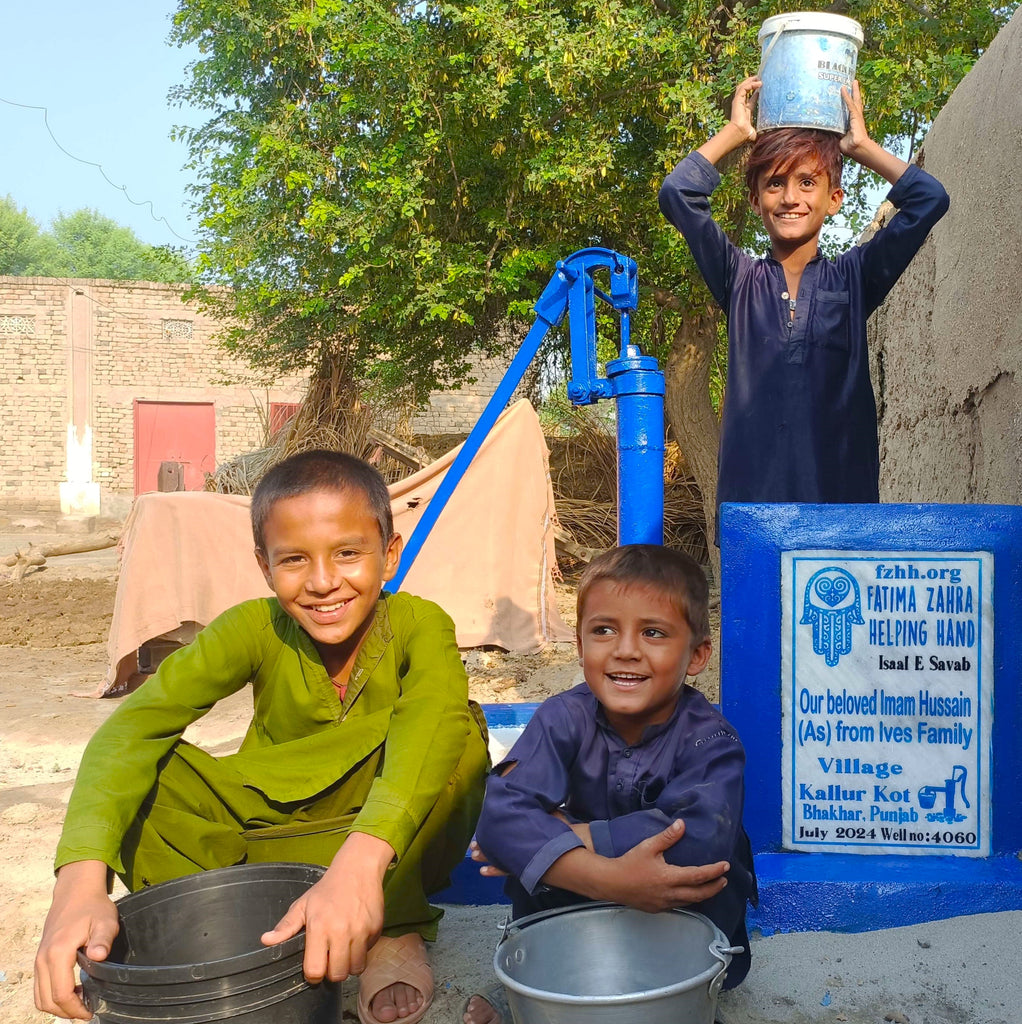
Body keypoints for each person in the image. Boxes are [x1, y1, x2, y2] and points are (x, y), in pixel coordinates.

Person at [34, 449, 489, 1024]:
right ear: (263, 565)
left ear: (389, 554)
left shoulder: (421, 624)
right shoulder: (252, 626)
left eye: (348, 553)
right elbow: (132, 729)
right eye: (294, 559)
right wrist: (78, 880)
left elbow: (433, 717)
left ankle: (392, 932)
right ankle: (238, 933)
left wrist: (360, 867)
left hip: (384, 858)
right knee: (145, 771)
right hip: (265, 844)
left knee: (457, 731)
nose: (324, 583)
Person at [463, 544, 756, 1024]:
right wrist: (609, 879)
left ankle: (684, 1002)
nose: (625, 649)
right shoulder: (562, 717)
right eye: (603, 630)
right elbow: (497, 818)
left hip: (677, 915)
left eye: (654, 632)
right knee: (533, 860)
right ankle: (530, 991)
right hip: (575, 907)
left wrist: (572, 838)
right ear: (579, 645)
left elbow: (698, 842)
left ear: (698, 654)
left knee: (696, 876)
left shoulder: (711, 739)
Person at [658, 77, 950, 533]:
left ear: (834, 199)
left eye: (808, 182)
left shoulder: (854, 278)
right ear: (756, 200)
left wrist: (861, 146)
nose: (790, 197)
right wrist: (736, 133)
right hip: (751, 514)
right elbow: (677, 193)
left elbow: (929, 200)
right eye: (775, 184)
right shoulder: (739, 279)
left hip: (841, 514)